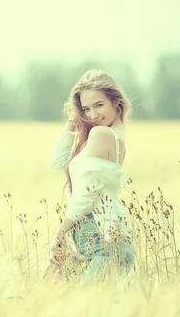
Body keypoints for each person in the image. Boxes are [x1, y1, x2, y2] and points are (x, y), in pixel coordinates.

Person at [48, 69, 135, 284]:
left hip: (103, 243)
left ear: (116, 102)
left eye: (99, 105)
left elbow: (88, 191)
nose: (93, 116)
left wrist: (61, 231)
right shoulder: (104, 135)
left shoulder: (102, 134)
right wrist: (73, 119)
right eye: (86, 109)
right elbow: (58, 161)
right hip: (99, 241)